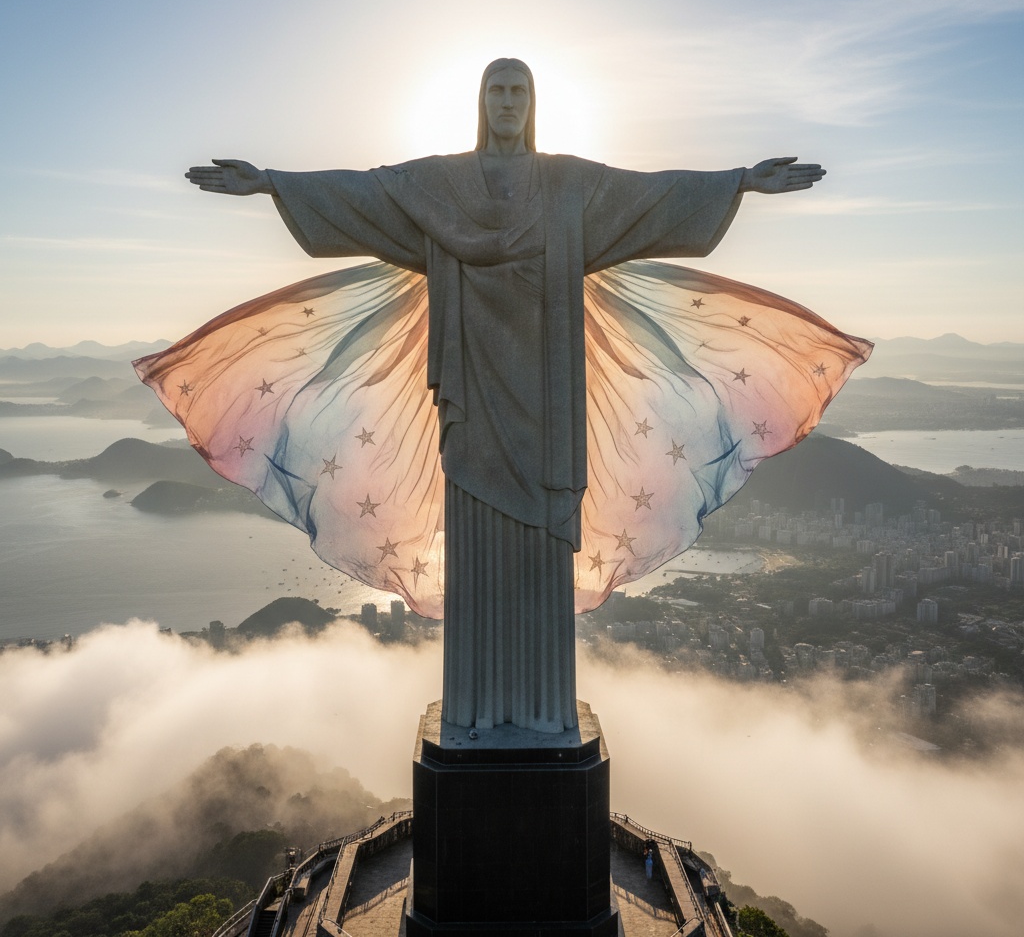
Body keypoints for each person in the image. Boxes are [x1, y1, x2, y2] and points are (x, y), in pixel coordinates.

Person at [136, 58, 871, 733]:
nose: (509, 102)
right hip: (472, 401)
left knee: (544, 538)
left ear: (534, 103)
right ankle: (479, 710)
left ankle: (544, 712)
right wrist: (271, 181)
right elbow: (366, 192)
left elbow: (653, 196)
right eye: (498, 89)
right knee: (479, 547)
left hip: (549, 405)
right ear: (481, 103)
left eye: (520, 90)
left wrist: (739, 179)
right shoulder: (437, 188)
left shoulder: (572, 189)